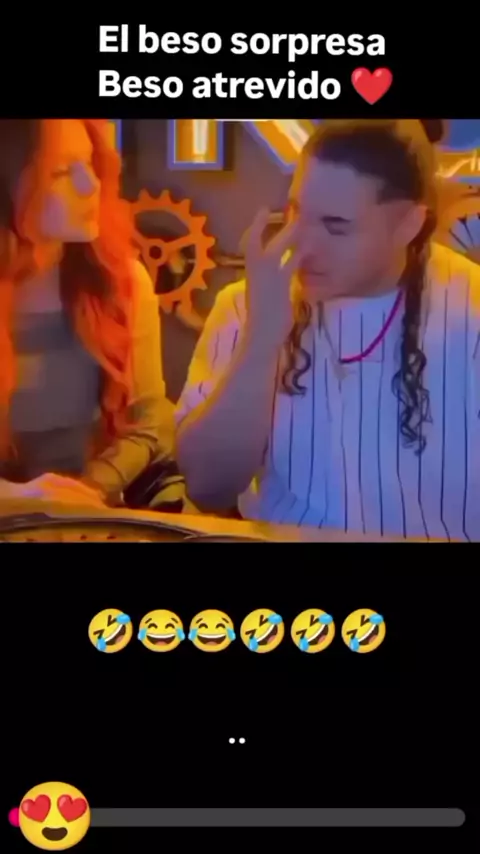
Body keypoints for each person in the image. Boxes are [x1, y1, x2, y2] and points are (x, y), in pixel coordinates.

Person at [175, 119, 479, 541]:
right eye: (296, 213)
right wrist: (262, 338)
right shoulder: (245, 304)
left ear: (409, 225)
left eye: (335, 225)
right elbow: (208, 488)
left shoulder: (470, 307)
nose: (303, 245)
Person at [0, 119, 183, 509]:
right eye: (61, 172)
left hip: (89, 516)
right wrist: (16, 499)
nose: (90, 185)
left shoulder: (123, 282)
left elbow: (149, 424)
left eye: (89, 163)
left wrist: (84, 494)